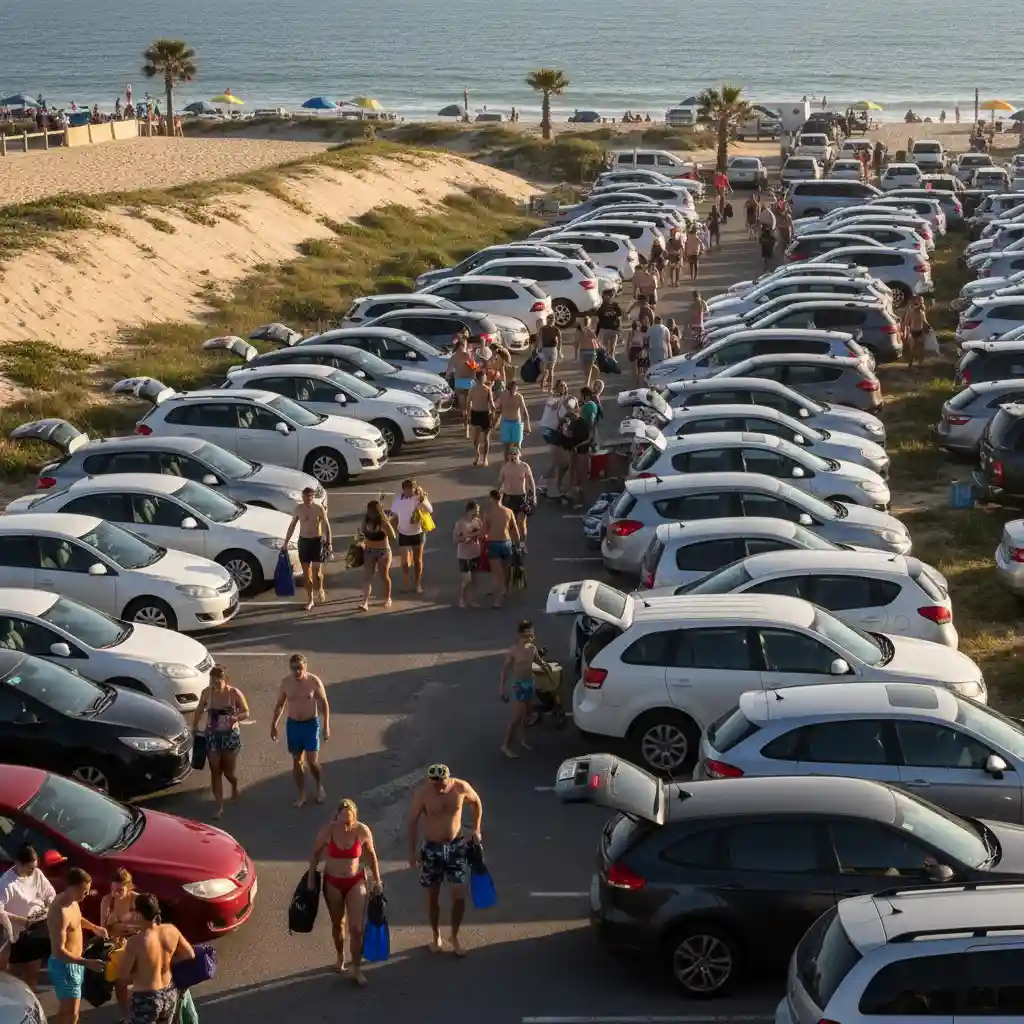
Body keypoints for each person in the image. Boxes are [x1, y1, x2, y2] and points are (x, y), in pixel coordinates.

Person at [406, 764, 483, 956]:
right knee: (433, 896)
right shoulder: (424, 794)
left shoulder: (460, 787)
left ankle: (454, 936)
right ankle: (436, 935)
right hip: (432, 849)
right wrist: (412, 852)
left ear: (448, 778)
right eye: (434, 783)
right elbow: (412, 822)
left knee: (459, 896)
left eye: (441, 783)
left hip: (456, 847)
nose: (438, 787)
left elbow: (476, 802)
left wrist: (477, 828)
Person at [309, 800, 382, 985]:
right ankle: (340, 955)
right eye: (343, 822)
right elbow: (315, 854)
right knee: (338, 924)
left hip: (356, 881)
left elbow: (371, 856)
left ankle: (356, 968)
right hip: (333, 882)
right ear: (337, 817)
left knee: (357, 929)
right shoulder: (329, 830)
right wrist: (311, 878)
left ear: (354, 817)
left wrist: (377, 880)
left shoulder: (362, 831)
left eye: (349, 822)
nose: (346, 826)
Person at [117, 894, 194, 1024]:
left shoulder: (135, 942)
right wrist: (167, 962)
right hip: (169, 992)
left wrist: (142, 970)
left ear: (139, 915)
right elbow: (189, 954)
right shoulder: (171, 929)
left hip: (147, 998)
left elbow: (122, 977)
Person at [47, 867, 106, 1024]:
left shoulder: (72, 902)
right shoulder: (59, 911)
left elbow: (77, 920)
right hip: (65, 966)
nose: (86, 895)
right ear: (73, 887)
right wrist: (88, 963)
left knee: (67, 1011)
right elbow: (58, 952)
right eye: (84, 891)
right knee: (72, 1013)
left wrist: (94, 927)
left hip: (76, 962)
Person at [270, 653, 331, 807]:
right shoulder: (286, 683)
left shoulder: (313, 681)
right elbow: (279, 705)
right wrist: (273, 725)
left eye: (300, 668)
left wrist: (326, 726)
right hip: (294, 726)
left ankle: (318, 786)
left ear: (305, 666)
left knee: (312, 761)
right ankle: (301, 794)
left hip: (310, 725)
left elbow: (324, 704)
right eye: (294, 668)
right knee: (297, 762)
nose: (297, 671)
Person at [193, 666, 249, 819]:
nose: (215, 685)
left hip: (230, 735)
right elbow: (199, 709)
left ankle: (234, 784)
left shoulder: (233, 693)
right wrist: (195, 726)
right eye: (213, 682)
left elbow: (246, 711)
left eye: (218, 682)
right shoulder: (207, 692)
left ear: (225, 680)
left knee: (228, 771)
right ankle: (219, 806)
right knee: (215, 769)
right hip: (212, 735)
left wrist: (236, 718)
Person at [0, 845, 55, 990]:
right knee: (13, 980)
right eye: (30, 868)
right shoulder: (6, 883)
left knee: (32, 975)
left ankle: (31, 1004)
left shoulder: (36, 873)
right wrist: (23, 921)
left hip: (37, 929)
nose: (33, 871)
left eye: (35, 867)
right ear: (18, 863)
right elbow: (0, 912)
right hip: (18, 935)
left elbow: (50, 893)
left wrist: (48, 907)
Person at [283, 488, 332, 611]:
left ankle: (320, 588)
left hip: (317, 542)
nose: (307, 501)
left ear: (313, 497)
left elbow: (327, 527)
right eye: (305, 498)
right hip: (304, 542)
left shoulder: (319, 509)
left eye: (309, 498)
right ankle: (310, 600)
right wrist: (285, 542)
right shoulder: (298, 509)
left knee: (317, 573)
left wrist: (329, 543)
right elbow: (292, 526)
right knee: (306, 574)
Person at [100, 868, 139, 1020]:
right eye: (113, 889)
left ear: (129, 887)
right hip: (117, 946)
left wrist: (120, 927)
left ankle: (140, 1010)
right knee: (120, 983)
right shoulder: (107, 901)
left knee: (140, 980)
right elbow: (103, 928)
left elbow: (146, 925)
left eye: (120, 890)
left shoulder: (136, 900)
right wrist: (115, 929)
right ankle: (126, 1015)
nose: (116, 893)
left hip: (136, 945)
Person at [499, 620, 540, 758]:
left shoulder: (533, 648)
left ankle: (523, 740)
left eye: (531, 636)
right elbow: (505, 670)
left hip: (529, 683)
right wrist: (502, 690)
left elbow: (539, 661)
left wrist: (547, 667)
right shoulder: (513, 651)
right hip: (518, 686)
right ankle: (505, 745)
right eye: (525, 636)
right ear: (519, 635)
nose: (528, 639)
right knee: (516, 718)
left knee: (526, 715)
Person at [390, 478, 433, 593]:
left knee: (418, 560)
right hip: (403, 533)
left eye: (411, 489)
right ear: (403, 489)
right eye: (406, 489)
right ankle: (406, 583)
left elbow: (430, 509)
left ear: (415, 489)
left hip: (417, 533)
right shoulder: (399, 499)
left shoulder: (419, 498)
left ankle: (417, 584)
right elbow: (393, 514)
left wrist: (423, 499)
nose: (408, 491)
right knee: (404, 562)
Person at [482, 488, 520, 608]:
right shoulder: (508, 512)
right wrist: (518, 544)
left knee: (496, 575)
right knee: (506, 570)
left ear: (492, 499)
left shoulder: (488, 513)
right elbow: (515, 530)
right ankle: (505, 589)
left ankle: (497, 601)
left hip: (494, 544)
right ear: (501, 498)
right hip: (506, 543)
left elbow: (483, 533)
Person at [357, 499, 395, 611]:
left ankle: (388, 598)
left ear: (378, 512)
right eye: (369, 511)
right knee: (367, 577)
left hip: (383, 552)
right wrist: (360, 539)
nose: (370, 513)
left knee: (384, 576)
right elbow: (360, 535)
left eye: (373, 511)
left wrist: (386, 528)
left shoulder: (383, 523)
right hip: (369, 551)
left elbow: (393, 536)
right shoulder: (365, 521)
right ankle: (364, 602)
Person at [498, 446, 536, 547]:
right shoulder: (505, 467)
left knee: (521, 523)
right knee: (510, 524)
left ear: (520, 454)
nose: (513, 455)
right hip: (508, 498)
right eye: (511, 453)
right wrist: (498, 499)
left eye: (515, 453)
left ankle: (523, 543)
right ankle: (513, 543)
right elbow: (500, 483)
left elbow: (531, 482)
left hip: (521, 498)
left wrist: (534, 496)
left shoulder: (524, 466)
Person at [538, 382, 571, 496]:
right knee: (561, 461)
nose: (563, 388)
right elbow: (560, 413)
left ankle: (545, 484)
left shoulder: (562, 400)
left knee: (559, 460)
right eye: (560, 386)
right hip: (548, 430)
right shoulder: (553, 399)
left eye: (564, 386)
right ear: (556, 388)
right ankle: (549, 485)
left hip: (553, 431)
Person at [453, 501, 484, 608]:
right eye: (476, 510)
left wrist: (478, 536)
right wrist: (464, 539)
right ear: (469, 510)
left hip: (475, 552)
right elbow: (455, 538)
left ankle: (471, 599)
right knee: (467, 579)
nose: (477, 513)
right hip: (464, 555)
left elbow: (483, 534)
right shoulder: (460, 523)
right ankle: (461, 598)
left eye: (478, 511)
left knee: (474, 578)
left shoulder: (478, 521)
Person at [561, 401, 592, 507]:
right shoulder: (571, 423)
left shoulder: (582, 423)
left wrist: (577, 446)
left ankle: (583, 498)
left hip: (582, 450)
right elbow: (568, 436)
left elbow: (588, 438)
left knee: (581, 473)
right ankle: (572, 493)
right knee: (573, 471)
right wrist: (565, 429)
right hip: (574, 450)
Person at [447, 336, 476, 437]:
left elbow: (449, 372)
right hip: (467, 382)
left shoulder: (455, 356)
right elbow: (475, 369)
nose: (465, 348)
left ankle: (467, 428)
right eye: (464, 346)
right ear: (461, 346)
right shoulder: (467, 356)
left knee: (465, 408)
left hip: (461, 382)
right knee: (467, 408)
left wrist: (448, 376)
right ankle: (467, 428)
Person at [467, 369, 495, 467]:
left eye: (485, 377)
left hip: (485, 414)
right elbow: (468, 403)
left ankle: (485, 458)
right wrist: (469, 415)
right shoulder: (472, 390)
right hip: (475, 414)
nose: (485, 379)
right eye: (484, 377)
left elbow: (491, 403)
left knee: (486, 438)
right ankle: (477, 454)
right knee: (475, 439)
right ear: (479, 379)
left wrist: (494, 412)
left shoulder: (487, 389)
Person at [497, 380, 530, 456]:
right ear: (508, 389)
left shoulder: (519, 397)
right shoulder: (503, 396)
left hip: (516, 423)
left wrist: (527, 426)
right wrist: (497, 422)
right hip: (505, 423)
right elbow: (497, 408)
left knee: (517, 445)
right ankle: (506, 462)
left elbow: (525, 412)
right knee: (506, 445)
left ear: (517, 388)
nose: (513, 391)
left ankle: (517, 463)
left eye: (514, 389)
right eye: (511, 389)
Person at [902, 294, 930, 369]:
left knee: (922, 349)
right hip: (912, 332)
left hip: (920, 331)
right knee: (912, 349)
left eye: (922, 301)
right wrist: (905, 332)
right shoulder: (910, 312)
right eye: (920, 301)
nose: (921, 302)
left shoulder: (922, 312)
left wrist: (928, 325)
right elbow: (906, 323)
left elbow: (924, 321)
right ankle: (910, 364)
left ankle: (920, 365)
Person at [536, 314, 561, 393]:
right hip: (547, 349)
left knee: (549, 370)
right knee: (547, 370)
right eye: (550, 320)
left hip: (550, 349)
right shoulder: (545, 329)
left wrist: (560, 351)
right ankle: (546, 386)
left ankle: (548, 387)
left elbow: (560, 341)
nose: (551, 321)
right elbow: (539, 339)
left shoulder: (555, 329)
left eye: (552, 320)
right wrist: (538, 349)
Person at [576, 315, 601, 388]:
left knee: (587, 370)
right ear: (589, 323)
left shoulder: (581, 331)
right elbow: (596, 339)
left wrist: (575, 354)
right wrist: (600, 348)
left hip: (583, 351)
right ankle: (589, 383)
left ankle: (587, 384)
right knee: (589, 369)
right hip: (590, 351)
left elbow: (577, 342)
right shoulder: (589, 331)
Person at [595, 290, 622, 354]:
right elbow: (597, 317)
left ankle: (612, 360)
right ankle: (606, 361)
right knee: (604, 349)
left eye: (610, 295)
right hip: (604, 329)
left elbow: (619, 317)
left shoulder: (615, 305)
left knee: (612, 349)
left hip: (613, 329)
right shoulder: (601, 306)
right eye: (606, 296)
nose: (608, 297)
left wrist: (619, 329)